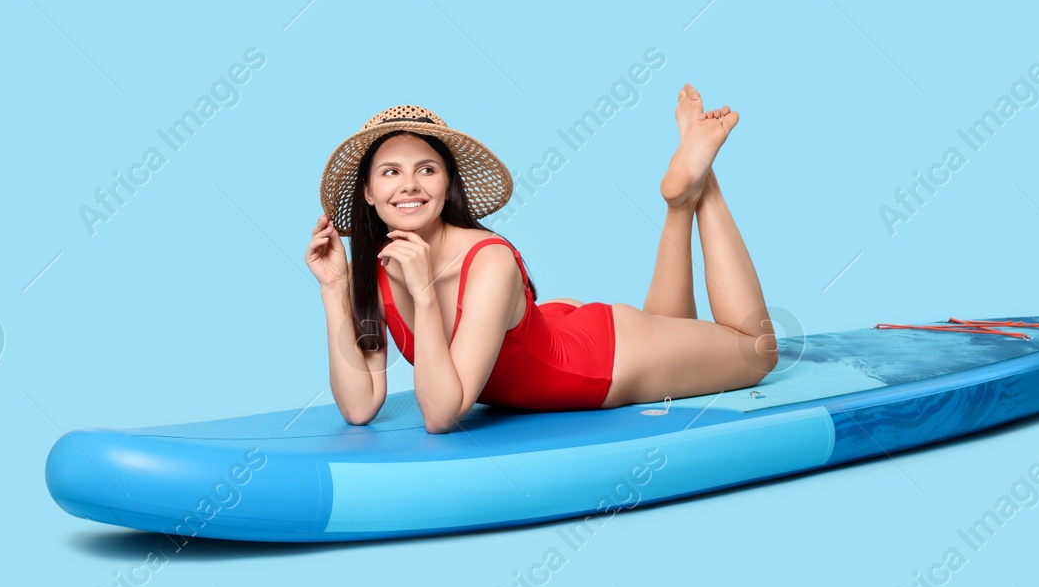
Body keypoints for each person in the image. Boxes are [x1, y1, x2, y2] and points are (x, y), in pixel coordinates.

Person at [305, 85, 776, 433]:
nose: (409, 185)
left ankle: (702, 182)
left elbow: (442, 414)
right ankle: (680, 200)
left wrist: (425, 293)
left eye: (426, 169)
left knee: (757, 351)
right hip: (550, 330)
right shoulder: (379, 269)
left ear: (447, 185)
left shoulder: (490, 263)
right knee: (671, 323)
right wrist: (333, 291)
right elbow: (360, 405)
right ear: (368, 192)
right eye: (390, 172)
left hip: (603, 362)